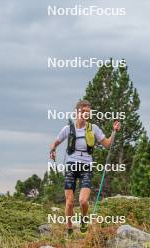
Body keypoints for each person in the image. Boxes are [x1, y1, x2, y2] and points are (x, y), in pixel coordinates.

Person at [50, 100, 121, 236]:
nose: (85, 114)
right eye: (83, 112)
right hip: (71, 165)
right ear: (77, 112)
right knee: (70, 202)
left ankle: (84, 218)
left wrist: (114, 131)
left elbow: (107, 144)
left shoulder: (93, 128)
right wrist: (52, 149)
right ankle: (69, 228)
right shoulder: (68, 129)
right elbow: (55, 142)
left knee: (83, 200)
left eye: (88, 112)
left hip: (86, 166)